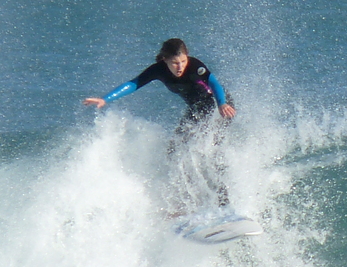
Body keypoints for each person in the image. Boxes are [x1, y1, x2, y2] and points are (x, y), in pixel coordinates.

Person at [84, 38, 237, 205]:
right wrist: (105, 99)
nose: (180, 67)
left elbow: (214, 84)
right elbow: (134, 84)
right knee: (174, 150)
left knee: (211, 148)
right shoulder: (158, 70)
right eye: (175, 63)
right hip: (197, 109)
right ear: (165, 60)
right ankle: (191, 199)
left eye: (183, 61)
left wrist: (222, 103)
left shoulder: (195, 67)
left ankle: (224, 200)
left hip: (218, 106)